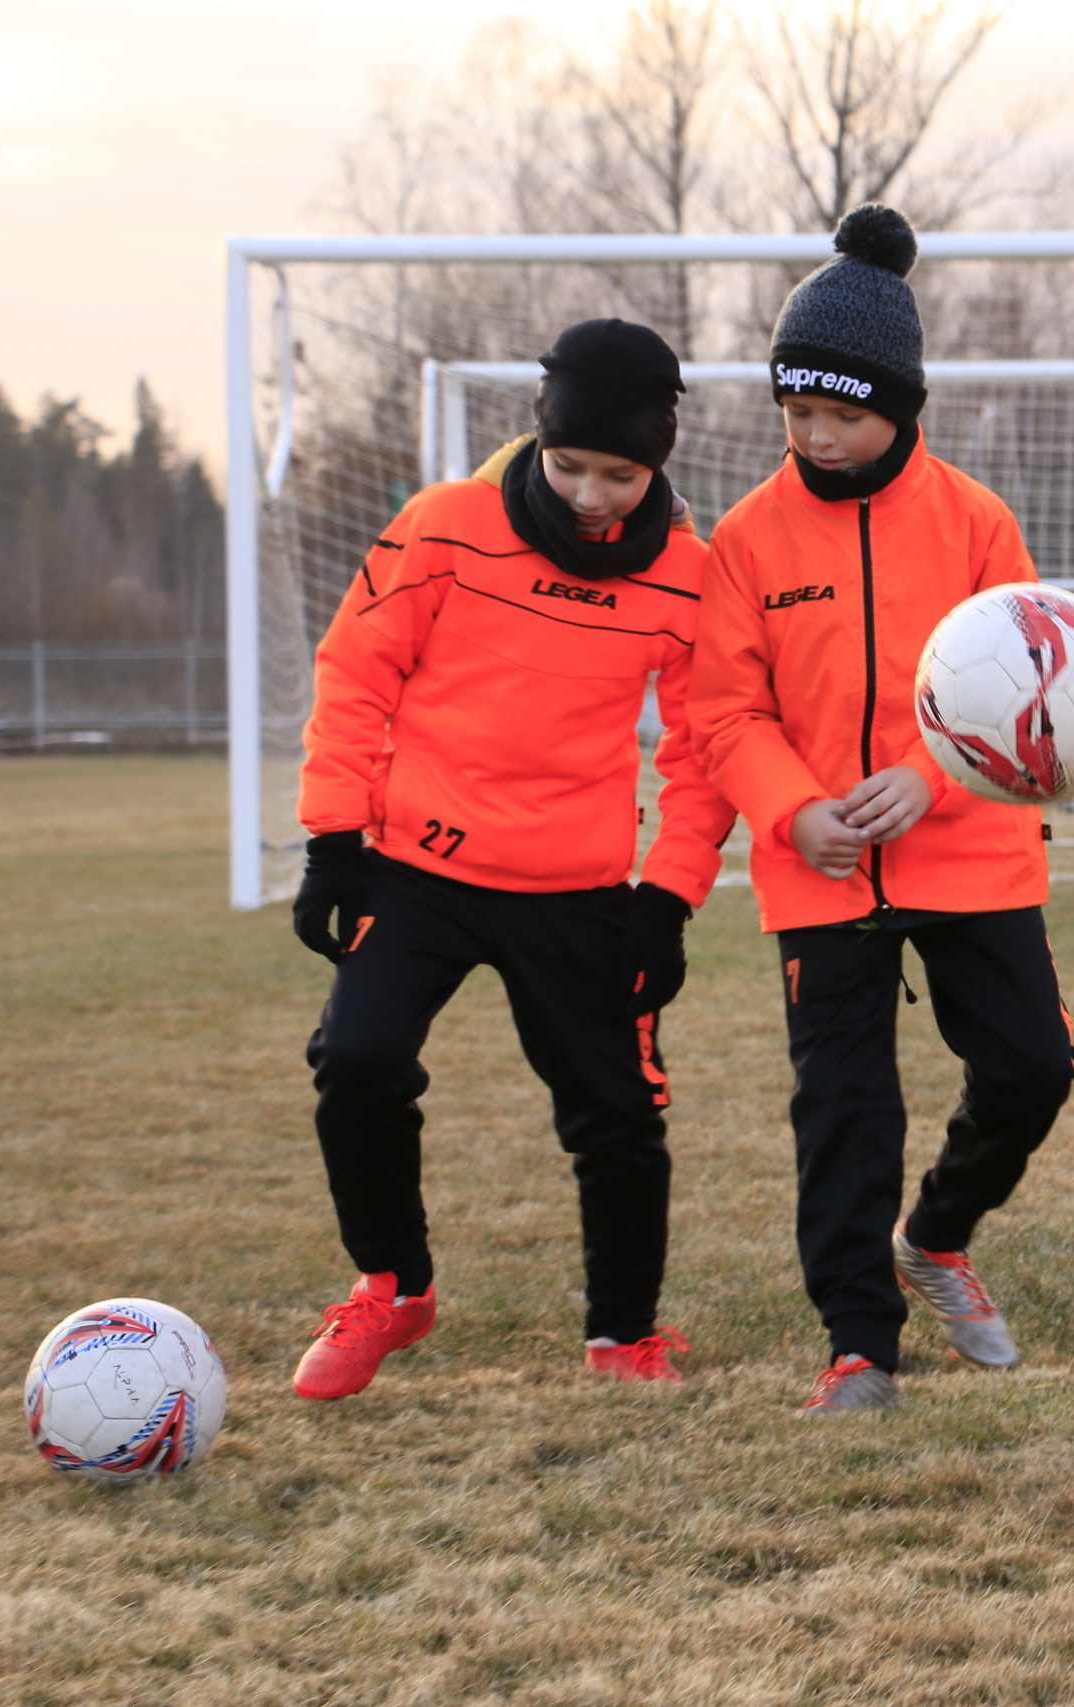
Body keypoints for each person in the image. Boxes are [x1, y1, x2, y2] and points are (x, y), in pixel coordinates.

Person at [287, 318, 736, 1401]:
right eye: (569, 464)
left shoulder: (689, 575)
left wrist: (666, 899)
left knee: (618, 1118)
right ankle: (393, 1288)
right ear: (538, 440)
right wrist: (333, 844)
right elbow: (355, 677)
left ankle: (624, 1334)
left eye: (620, 474)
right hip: (418, 870)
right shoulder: (443, 527)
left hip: (577, 891)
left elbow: (703, 748)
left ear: (660, 459)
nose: (591, 494)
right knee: (356, 1060)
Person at [691, 204, 1074, 1415]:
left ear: (900, 407)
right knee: (845, 1112)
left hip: (971, 848)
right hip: (820, 876)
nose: (814, 436)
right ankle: (860, 1346)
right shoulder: (747, 541)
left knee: (1031, 1069)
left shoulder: (975, 522)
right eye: (795, 414)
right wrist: (789, 810)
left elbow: (1024, 676)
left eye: (839, 415)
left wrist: (929, 769)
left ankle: (939, 1235)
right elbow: (720, 714)